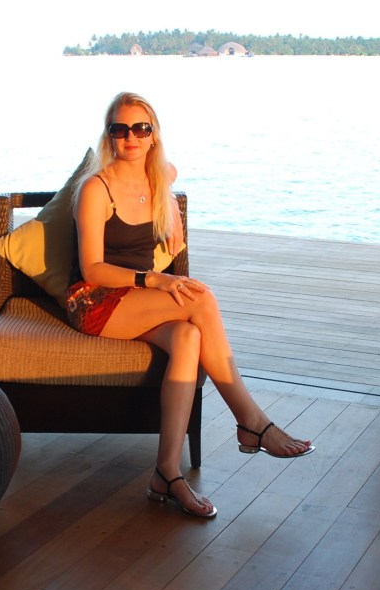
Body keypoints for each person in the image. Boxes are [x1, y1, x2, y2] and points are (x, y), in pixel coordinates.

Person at [66, 92, 314, 518]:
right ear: (108, 137)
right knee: (202, 298)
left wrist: (167, 200)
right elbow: (92, 268)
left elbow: (169, 180)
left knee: (188, 337)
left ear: (153, 135)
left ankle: (166, 472)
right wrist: (154, 279)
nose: (130, 137)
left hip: (137, 301)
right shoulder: (95, 188)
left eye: (140, 128)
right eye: (119, 129)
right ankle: (251, 421)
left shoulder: (158, 178)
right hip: (95, 299)